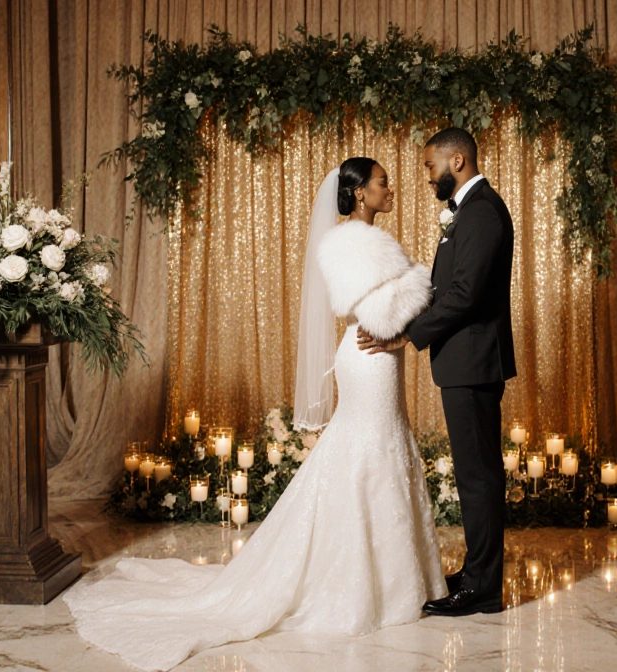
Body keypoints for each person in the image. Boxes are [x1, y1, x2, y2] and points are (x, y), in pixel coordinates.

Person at [62, 158, 446, 671]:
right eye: (381, 182)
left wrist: (415, 293)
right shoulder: (346, 243)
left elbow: (400, 308)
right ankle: (354, 582)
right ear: (357, 194)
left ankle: (399, 576)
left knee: (385, 445)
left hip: (383, 361)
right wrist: (421, 283)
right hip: (368, 361)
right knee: (367, 449)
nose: (389, 187)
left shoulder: (375, 242)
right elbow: (379, 314)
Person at [358, 127, 516, 617]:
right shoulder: (469, 211)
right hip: (464, 362)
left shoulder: (483, 212)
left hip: (473, 363)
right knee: (477, 476)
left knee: (479, 478)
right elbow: (449, 286)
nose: (428, 177)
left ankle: (483, 588)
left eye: (431, 166)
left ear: (459, 161)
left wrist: (409, 334)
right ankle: (477, 575)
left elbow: (465, 295)